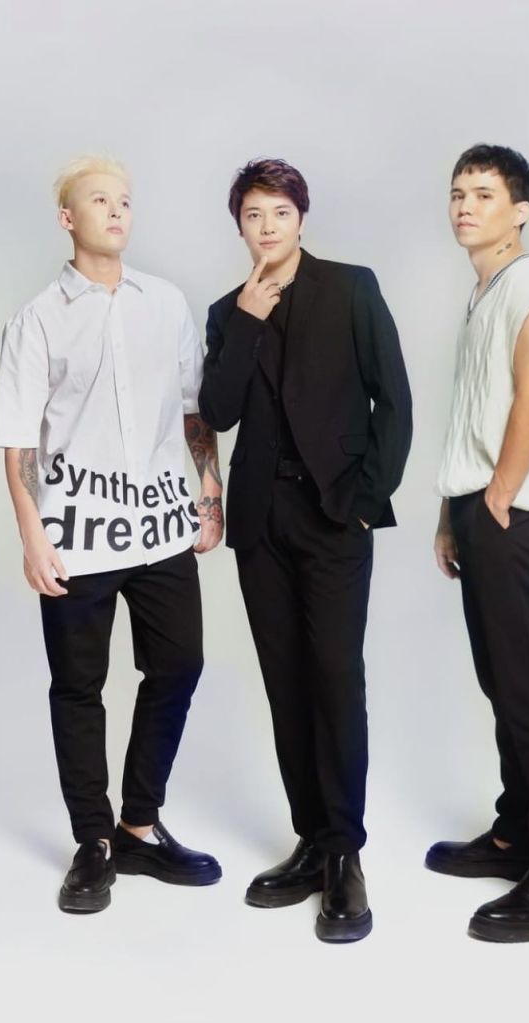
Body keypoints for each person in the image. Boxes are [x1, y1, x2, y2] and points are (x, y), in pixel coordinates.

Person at [0, 156, 223, 914]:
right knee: (78, 688)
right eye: (99, 200)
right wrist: (32, 534)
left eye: (124, 200)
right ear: (68, 218)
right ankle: (93, 842)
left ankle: (138, 826)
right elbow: (18, 440)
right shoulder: (37, 319)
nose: (117, 211)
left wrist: (209, 490)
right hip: (76, 534)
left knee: (179, 664)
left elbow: (192, 409)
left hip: (159, 525)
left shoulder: (167, 303)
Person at [199, 158, 412, 943]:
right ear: (240, 225)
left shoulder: (352, 288)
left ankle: (345, 852)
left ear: (301, 217)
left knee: (335, 680)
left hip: (333, 517)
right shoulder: (227, 311)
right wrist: (247, 322)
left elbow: (395, 401)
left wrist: (362, 502)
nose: (267, 227)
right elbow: (217, 411)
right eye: (253, 215)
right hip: (261, 523)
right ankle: (312, 841)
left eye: (279, 213)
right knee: (286, 685)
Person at [426, 144, 529, 942]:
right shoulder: (485, 289)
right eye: (458, 192)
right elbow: (474, 410)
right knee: (504, 682)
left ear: (520, 210)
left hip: (515, 512)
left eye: (484, 194)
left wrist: (497, 494)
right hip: (481, 505)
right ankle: (517, 834)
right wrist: (451, 508)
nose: (465, 205)